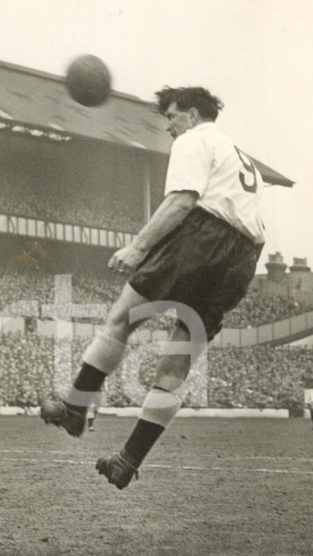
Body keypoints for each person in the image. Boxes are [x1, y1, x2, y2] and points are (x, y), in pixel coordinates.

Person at [42, 86, 265, 490]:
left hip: (205, 236)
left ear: (193, 114)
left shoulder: (194, 139)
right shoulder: (242, 156)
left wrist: (138, 247)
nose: (169, 126)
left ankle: (76, 408)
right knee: (176, 362)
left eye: (172, 117)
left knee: (119, 320)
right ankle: (127, 461)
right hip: (244, 256)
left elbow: (182, 200)